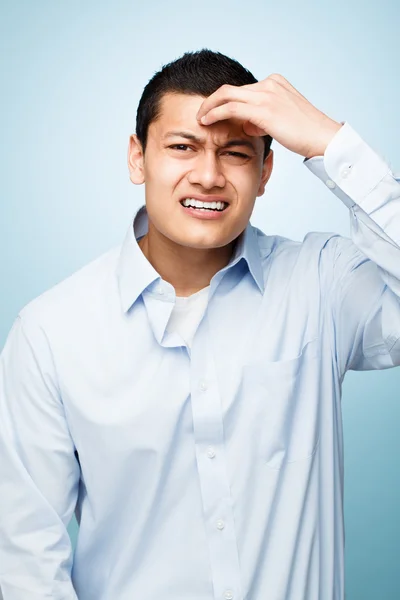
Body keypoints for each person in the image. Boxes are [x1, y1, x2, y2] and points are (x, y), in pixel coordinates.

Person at [0, 48, 399, 600]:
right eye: (182, 147)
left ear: (265, 172)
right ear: (138, 158)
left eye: (235, 153)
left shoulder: (322, 284)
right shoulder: (50, 332)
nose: (208, 176)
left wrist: (333, 145)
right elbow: (24, 559)